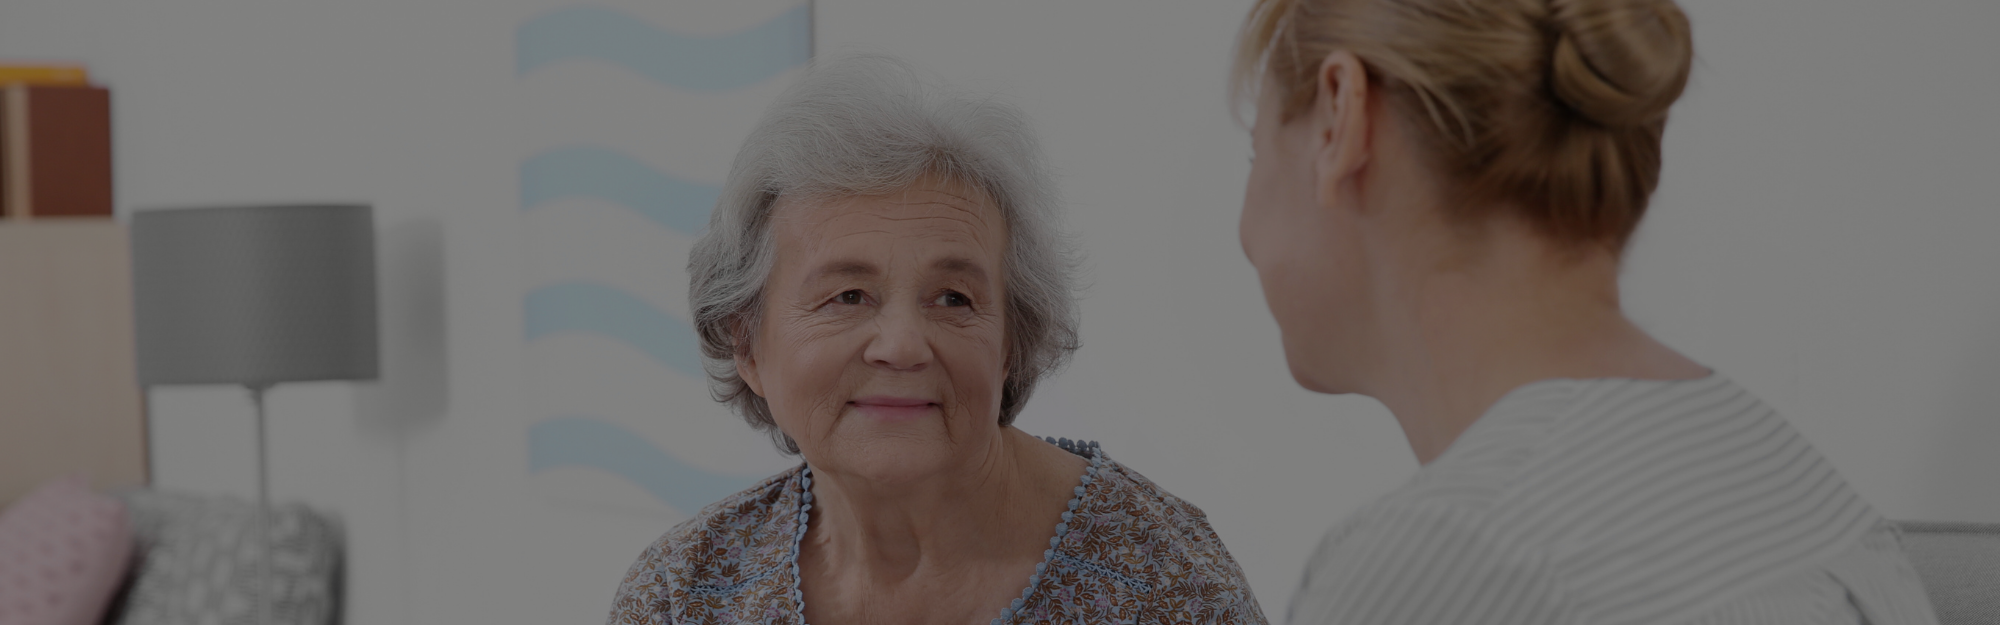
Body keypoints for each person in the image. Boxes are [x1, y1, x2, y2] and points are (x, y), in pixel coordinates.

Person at [1229, 0, 1940, 622]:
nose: (1243, 234)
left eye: (1258, 150)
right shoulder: (1782, 477)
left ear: (1339, 117)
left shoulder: (1449, 555)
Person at [605, 55, 1266, 625]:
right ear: (747, 343)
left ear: (1011, 340)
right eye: (847, 296)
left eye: (954, 298)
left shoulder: (1163, 584)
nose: (901, 345)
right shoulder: (684, 593)